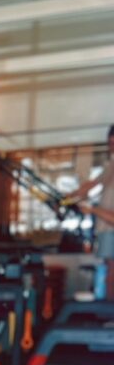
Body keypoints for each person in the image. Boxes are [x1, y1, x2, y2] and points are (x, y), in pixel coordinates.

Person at [66, 125, 114, 298]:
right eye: (110, 143)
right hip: (105, 232)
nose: (112, 147)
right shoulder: (111, 166)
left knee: (111, 277)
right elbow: (90, 185)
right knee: (108, 274)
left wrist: (92, 209)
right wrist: (67, 197)